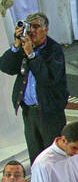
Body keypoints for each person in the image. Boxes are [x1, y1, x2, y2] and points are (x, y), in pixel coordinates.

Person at [1, 13, 68, 163]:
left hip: (50, 112)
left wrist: (32, 55)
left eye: (36, 26)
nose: (32, 31)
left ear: (46, 29)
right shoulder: (25, 47)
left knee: (55, 157)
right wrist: (16, 46)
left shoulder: (54, 50)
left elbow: (48, 78)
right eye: (29, 26)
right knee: (36, 159)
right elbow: (6, 67)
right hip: (30, 113)